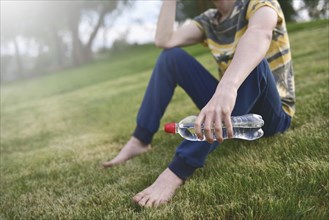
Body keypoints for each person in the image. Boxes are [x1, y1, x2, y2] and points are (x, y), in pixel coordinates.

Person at [103, 0, 295, 207]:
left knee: (255, 64)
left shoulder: (260, 4)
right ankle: (140, 139)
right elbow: (165, 40)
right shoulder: (209, 21)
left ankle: (178, 170)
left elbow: (259, 34)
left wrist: (227, 87)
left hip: (271, 116)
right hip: (232, 111)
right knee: (171, 57)